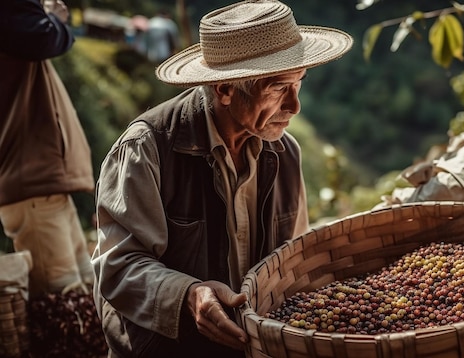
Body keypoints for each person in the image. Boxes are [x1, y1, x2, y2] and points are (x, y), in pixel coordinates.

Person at [91, 0, 353, 356]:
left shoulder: (284, 153)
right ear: (225, 89)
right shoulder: (149, 148)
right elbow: (118, 267)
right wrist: (187, 295)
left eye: (299, 84)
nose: (294, 106)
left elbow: (294, 258)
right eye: (278, 88)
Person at [0, 0, 95, 297]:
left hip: (43, 187)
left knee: (87, 293)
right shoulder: (14, 19)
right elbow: (42, 36)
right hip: (32, 187)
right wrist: (53, 17)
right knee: (63, 305)